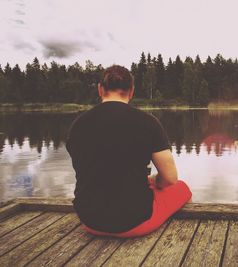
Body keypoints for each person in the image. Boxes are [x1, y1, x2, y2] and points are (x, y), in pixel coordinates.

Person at [66, 65, 192, 237]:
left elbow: (89, 170)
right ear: (131, 91)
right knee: (183, 188)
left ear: (100, 89)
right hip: (133, 221)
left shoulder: (77, 125)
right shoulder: (148, 122)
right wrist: (155, 181)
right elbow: (170, 178)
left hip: (89, 220)